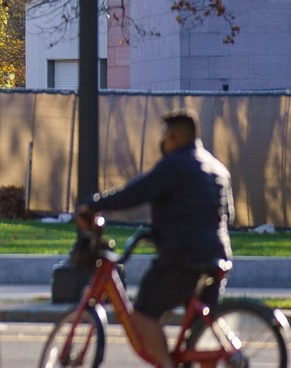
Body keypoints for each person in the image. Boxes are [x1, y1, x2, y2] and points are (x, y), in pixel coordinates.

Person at [85, 112, 233, 368]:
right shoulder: (218, 168)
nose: (162, 143)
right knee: (202, 329)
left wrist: (94, 204)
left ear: (174, 138)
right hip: (217, 255)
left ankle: (166, 364)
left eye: (164, 137)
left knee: (142, 315)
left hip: (183, 256)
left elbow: (136, 192)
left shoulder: (175, 164)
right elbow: (223, 214)